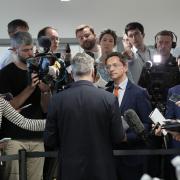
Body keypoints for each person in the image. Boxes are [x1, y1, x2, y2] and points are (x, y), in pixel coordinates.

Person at [44, 52, 126, 180]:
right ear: (93, 72)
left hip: (69, 170)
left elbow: (50, 140)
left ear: (71, 74)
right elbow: (118, 137)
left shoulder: (57, 100)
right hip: (102, 170)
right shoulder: (109, 99)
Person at [0, 31, 51, 180]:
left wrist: (45, 92)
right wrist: (30, 88)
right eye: (25, 50)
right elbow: (7, 107)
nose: (30, 53)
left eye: (31, 49)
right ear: (14, 50)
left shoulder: (41, 71)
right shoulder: (5, 74)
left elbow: (46, 108)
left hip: (37, 138)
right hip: (13, 138)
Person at [105, 52, 153, 180]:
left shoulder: (139, 93)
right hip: (109, 157)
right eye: (108, 67)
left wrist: (126, 137)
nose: (111, 69)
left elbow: (148, 125)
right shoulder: (104, 93)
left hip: (133, 157)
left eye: (115, 65)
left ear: (125, 67)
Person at [139, 30, 180, 113]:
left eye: (167, 42)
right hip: (151, 109)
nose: (163, 46)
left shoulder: (177, 65)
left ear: (172, 45)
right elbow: (141, 89)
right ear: (156, 44)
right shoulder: (148, 66)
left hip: (173, 109)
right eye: (160, 42)